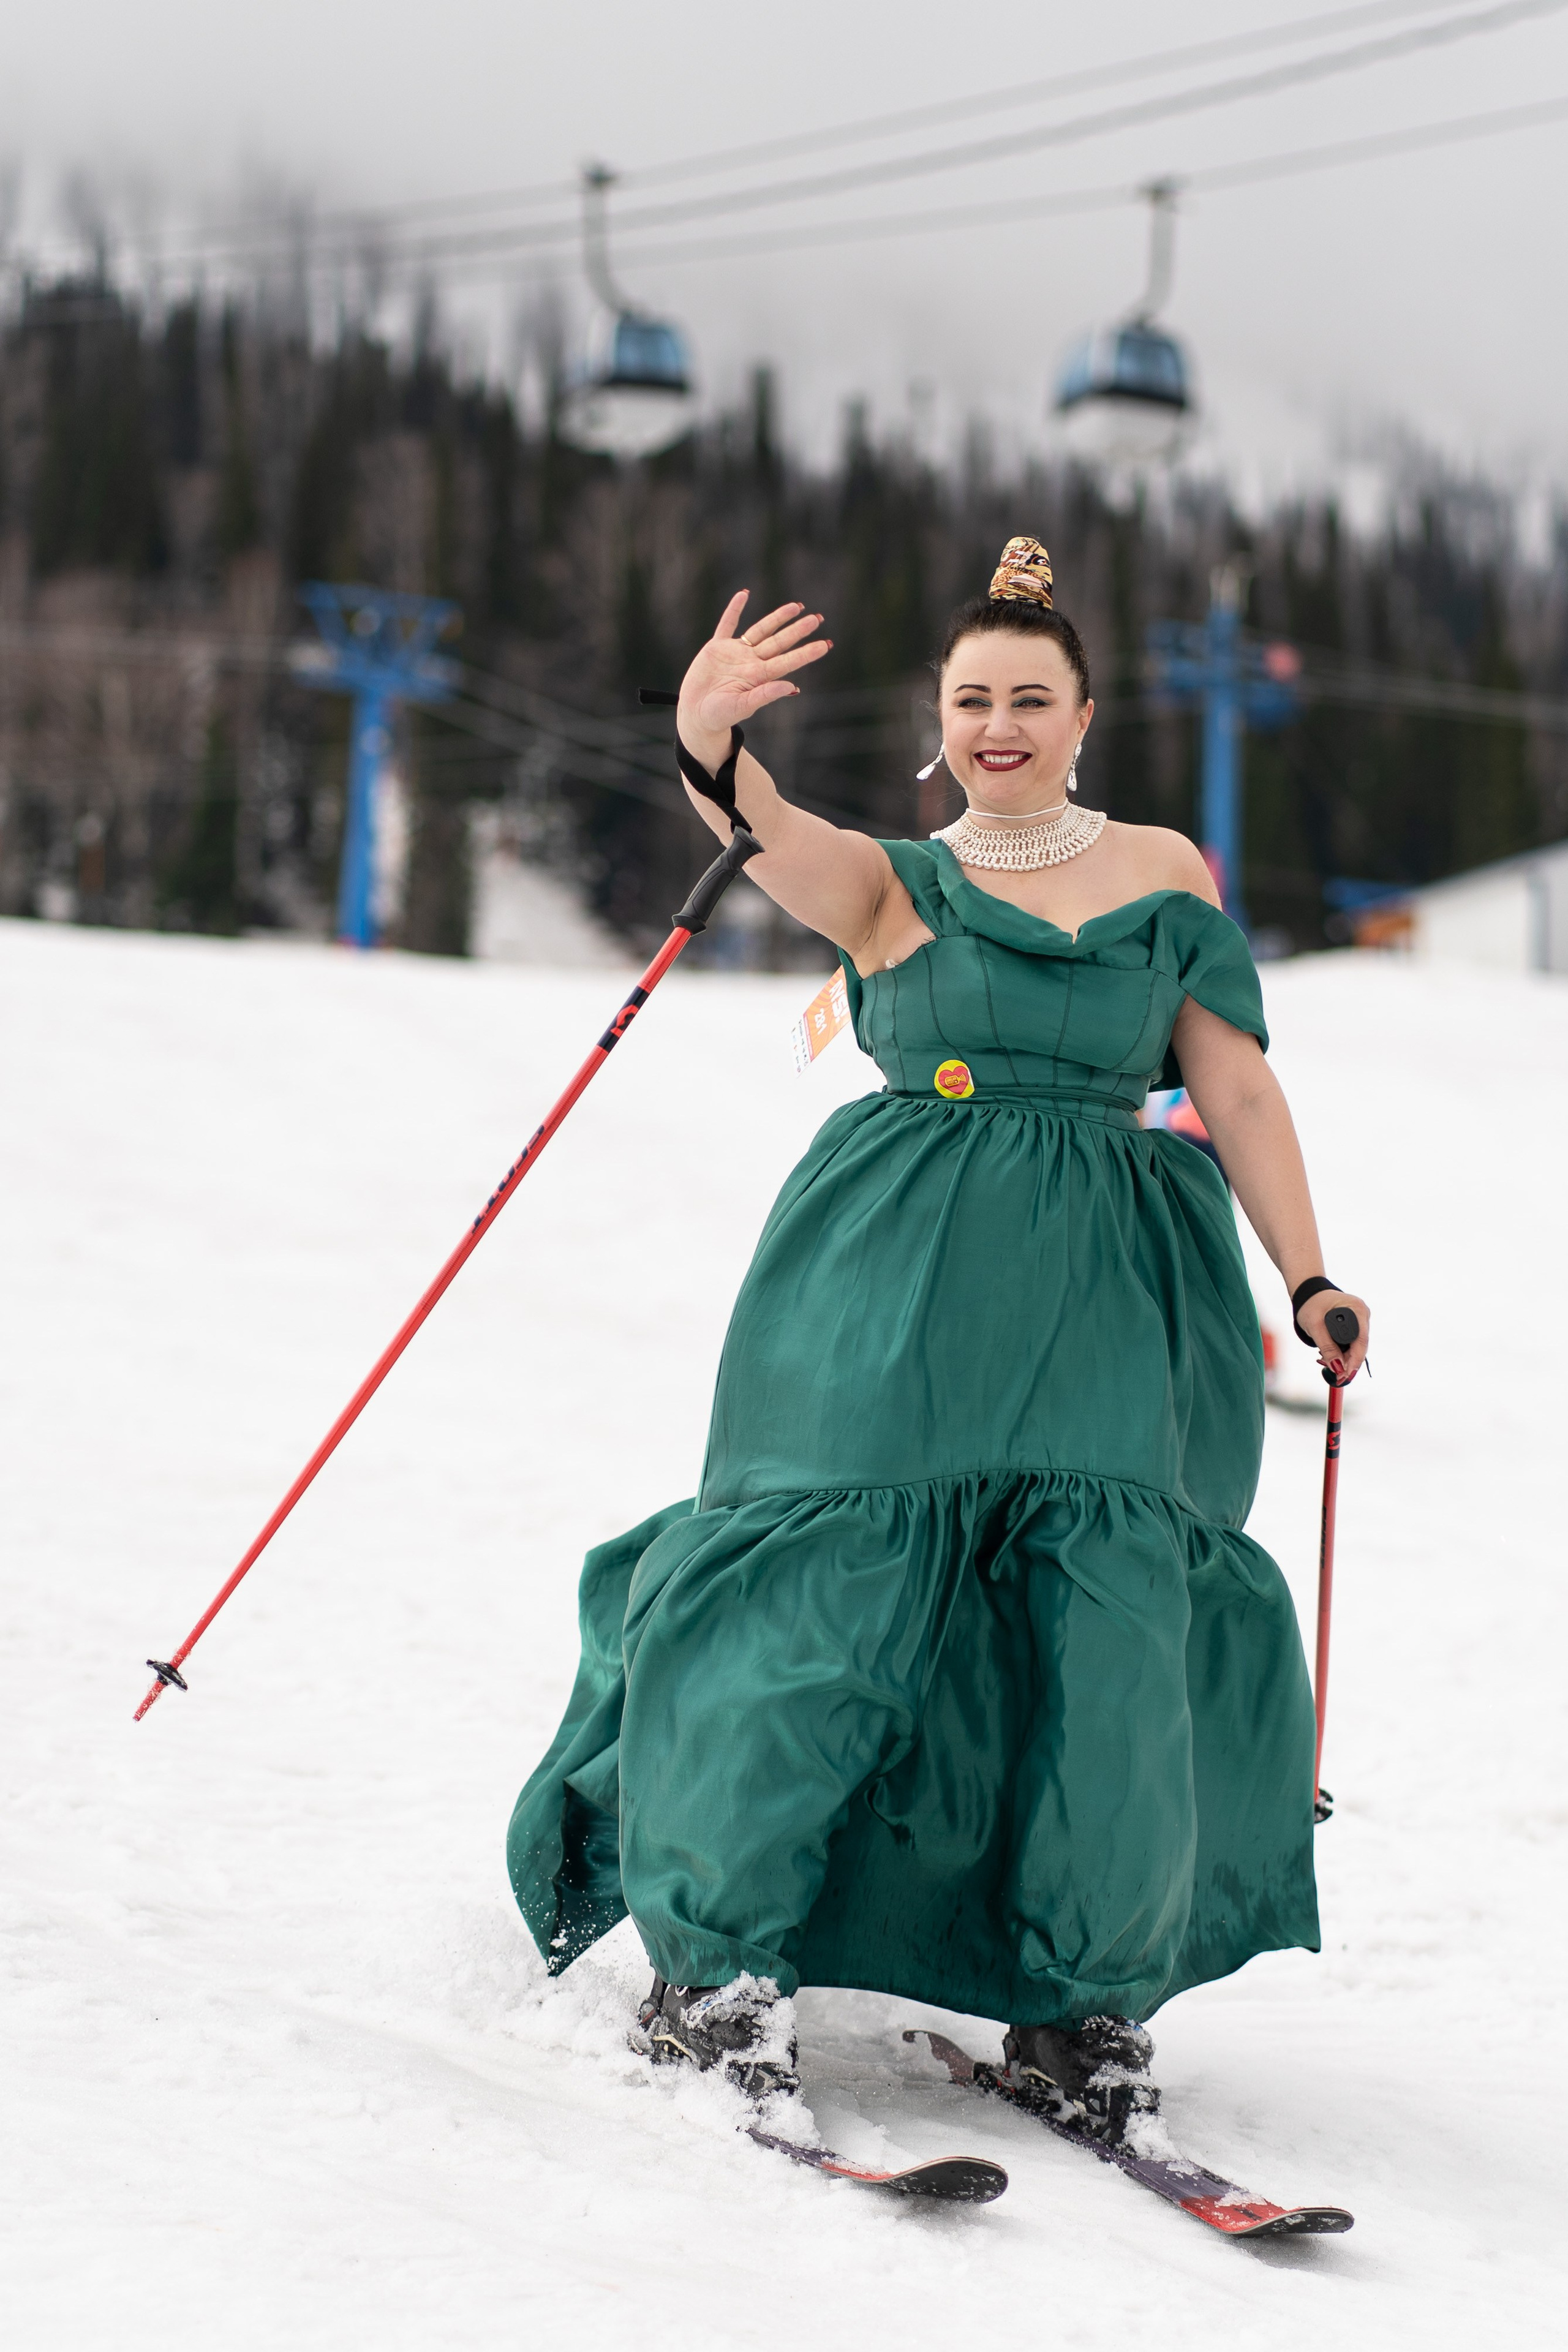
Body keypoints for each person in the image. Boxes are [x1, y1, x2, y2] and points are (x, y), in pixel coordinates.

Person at [508, 535, 1370, 2139]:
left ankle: (1078, 2001)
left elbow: (1235, 1084)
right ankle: (717, 1976)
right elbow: (761, 829)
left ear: (1084, 715)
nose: (998, 724)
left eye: (1029, 698)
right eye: (972, 698)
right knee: (823, 1600)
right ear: (941, 718)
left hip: (1124, 1288)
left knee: (1105, 1638)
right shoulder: (898, 884)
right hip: (893, 1279)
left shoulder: (1170, 879)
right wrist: (705, 736)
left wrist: (1308, 1274)